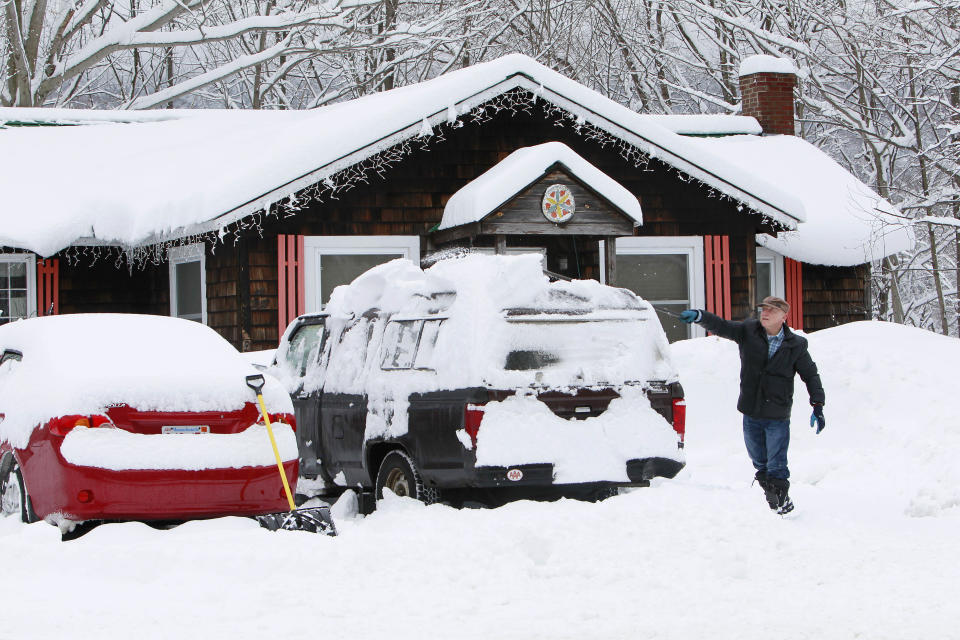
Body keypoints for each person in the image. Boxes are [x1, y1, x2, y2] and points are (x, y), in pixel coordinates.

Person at [678, 297, 825, 514]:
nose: (764, 313)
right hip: (751, 411)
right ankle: (775, 500)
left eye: (771, 311)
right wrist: (701, 316)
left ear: (784, 317)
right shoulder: (749, 331)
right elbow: (722, 326)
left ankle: (780, 504)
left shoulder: (796, 345)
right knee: (760, 462)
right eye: (763, 309)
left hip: (777, 414)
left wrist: (817, 405)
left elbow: (811, 375)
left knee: (776, 464)